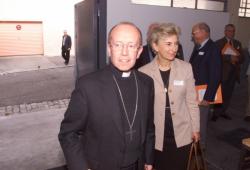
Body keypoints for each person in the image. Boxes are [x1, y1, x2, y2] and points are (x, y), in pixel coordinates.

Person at [58, 22, 155, 170]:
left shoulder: (146, 83)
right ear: (109, 49)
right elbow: (68, 133)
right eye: (117, 45)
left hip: (138, 164)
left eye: (131, 46)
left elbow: (149, 127)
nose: (124, 52)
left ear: (139, 51)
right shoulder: (88, 85)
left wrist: (149, 159)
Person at [139, 23, 200, 170]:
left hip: (182, 133)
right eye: (168, 44)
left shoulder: (186, 68)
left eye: (176, 43)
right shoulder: (143, 72)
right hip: (156, 136)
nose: (174, 48)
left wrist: (196, 128)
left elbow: (191, 101)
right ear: (155, 46)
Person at [189, 22, 221, 150]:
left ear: (204, 32)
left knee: (201, 123)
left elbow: (216, 75)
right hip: (194, 91)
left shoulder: (213, 48)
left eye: (195, 32)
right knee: (194, 120)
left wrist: (208, 98)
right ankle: (194, 145)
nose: (193, 35)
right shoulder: (198, 47)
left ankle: (200, 152)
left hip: (204, 94)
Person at [212, 24, 244, 121]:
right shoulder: (218, 43)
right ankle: (215, 113)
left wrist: (238, 58)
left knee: (228, 94)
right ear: (225, 31)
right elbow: (216, 56)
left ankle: (223, 111)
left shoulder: (238, 43)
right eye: (229, 31)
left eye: (233, 31)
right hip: (222, 73)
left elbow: (243, 57)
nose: (231, 33)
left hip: (234, 73)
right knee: (219, 94)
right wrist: (229, 57)